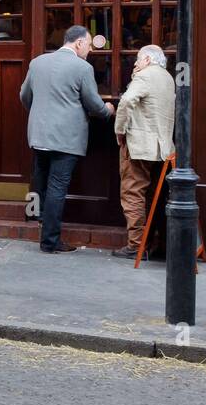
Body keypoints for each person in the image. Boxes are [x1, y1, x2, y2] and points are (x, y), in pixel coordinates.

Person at [19, 25, 114, 254]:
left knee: (40, 180)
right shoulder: (82, 67)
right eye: (89, 45)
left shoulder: (37, 62)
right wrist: (107, 110)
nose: (90, 50)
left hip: (39, 133)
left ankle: (37, 221)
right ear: (79, 43)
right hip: (66, 137)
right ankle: (50, 241)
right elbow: (93, 103)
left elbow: (24, 96)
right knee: (57, 187)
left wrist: (39, 112)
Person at [111, 45, 175, 259]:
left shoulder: (144, 76)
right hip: (163, 149)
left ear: (147, 59)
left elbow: (127, 101)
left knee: (132, 195)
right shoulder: (167, 78)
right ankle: (152, 242)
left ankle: (136, 246)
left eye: (138, 60)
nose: (135, 64)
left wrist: (119, 130)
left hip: (139, 145)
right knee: (153, 198)